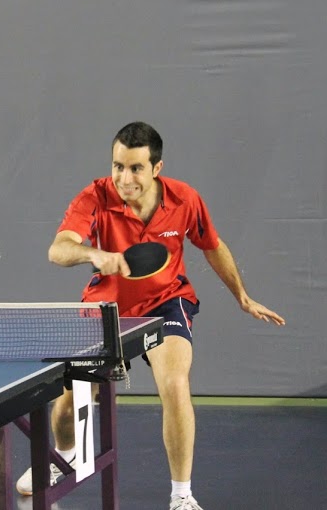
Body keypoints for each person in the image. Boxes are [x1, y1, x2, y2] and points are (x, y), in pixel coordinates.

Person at [16, 121, 285, 510]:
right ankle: (65, 456)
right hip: (107, 309)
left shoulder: (184, 199)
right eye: (118, 166)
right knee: (70, 401)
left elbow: (212, 245)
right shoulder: (95, 197)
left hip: (166, 302)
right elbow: (58, 250)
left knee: (175, 383)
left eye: (136, 168)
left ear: (156, 168)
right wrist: (93, 253)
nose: (125, 178)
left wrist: (241, 296)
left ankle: (182, 495)